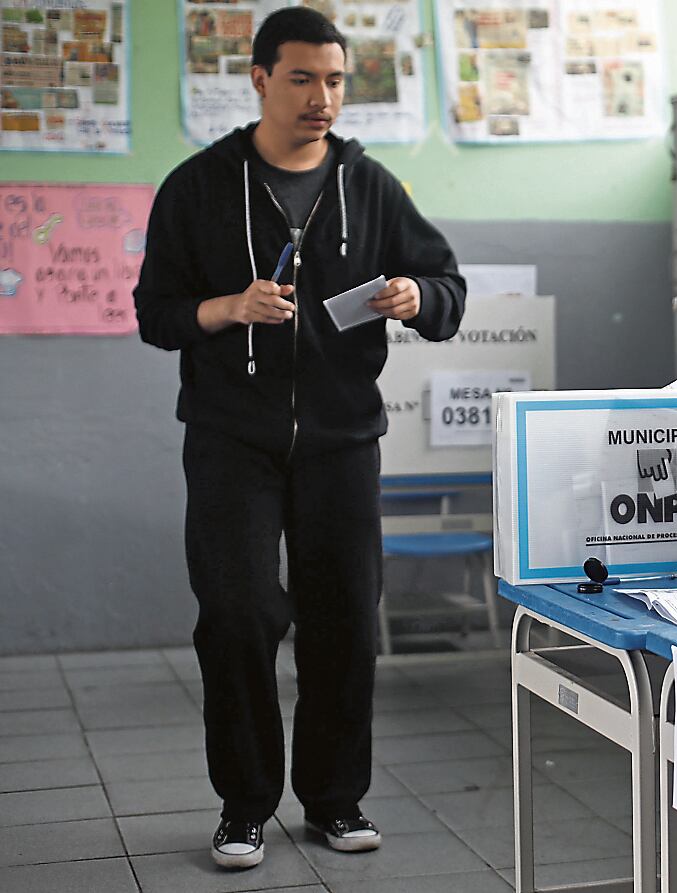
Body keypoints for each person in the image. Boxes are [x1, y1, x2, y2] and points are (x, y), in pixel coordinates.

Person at [133, 7, 466, 870]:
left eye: (336, 80)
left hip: (341, 439)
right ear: (257, 79)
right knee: (239, 616)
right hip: (228, 439)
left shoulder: (373, 187)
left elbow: (446, 287)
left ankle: (334, 799)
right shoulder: (199, 185)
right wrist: (227, 308)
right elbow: (155, 314)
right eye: (303, 79)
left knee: (345, 619)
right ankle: (243, 806)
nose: (323, 98)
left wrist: (415, 298)